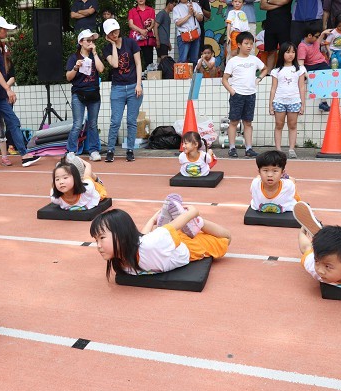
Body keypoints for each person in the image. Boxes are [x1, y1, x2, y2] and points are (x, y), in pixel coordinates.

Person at [89, 195, 230, 279]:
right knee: (160, 235)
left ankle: (197, 223)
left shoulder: (149, 245)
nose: (98, 246)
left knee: (227, 239)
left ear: (122, 236)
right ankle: (168, 223)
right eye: (96, 240)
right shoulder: (121, 261)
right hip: (162, 244)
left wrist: (194, 212)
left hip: (185, 248)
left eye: (102, 238)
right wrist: (152, 220)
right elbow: (142, 237)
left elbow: (173, 226)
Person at [0, 16, 40, 173]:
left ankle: (25, 155)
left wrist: (5, 90)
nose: (6, 31)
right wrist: (8, 89)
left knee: (13, 121)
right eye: (3, 28)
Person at [102, 18, 143, 163]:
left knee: (131, 121)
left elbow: (138, 64)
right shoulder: (107, 48)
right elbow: (114, 64)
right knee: (115, 121)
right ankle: (110, 150)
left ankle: (130, 150)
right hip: (117, 88)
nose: (114, 34)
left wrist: (139, 84)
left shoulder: (131, 43)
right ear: (107, 35)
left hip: (133, 86)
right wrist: (113, 45)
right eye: (111, 32)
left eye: (115, 31)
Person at [222, 32, 268, 158]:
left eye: (251, 44)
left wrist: (258, 79)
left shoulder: (254, 59)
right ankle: (232, 148)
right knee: (234, 122)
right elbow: (224, 79)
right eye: (246, 43)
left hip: (250, 94)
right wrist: (232, 92)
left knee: (248, 122)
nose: (249, 46)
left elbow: (265, 69)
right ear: (239, 45)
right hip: (237, 95)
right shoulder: (233, 61)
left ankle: (249, 148)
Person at [65, 29, 105, 162]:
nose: (90, 42)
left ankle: (93, 150)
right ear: (81, 42)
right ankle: (71, 151)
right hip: (79, 94)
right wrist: (75, 67)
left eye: (92, 40)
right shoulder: (74, 57)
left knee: (93, 124)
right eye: (88, 40)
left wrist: (95, 53)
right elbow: (68, 77)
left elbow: (101, 69)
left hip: (94, 93)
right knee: (78, 123)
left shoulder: (94, 56)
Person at [269, 42, 306, 157]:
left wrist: (302, 104)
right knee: (279, 125)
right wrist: (270, 105)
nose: (291, 55)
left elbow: (302, 87)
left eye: (293, 52)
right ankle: (278, 149)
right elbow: (273, 88)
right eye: (288, 52)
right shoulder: (276, 71)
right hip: (279, 101)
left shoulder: (299, 69)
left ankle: (291, 149)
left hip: (294, 101)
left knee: (293, 125)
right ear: (282, 53)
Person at [298, 25, 333, 112]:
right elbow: (300, 64)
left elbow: (319, 40)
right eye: (316, 36)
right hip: (310, 66)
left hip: (322, 64)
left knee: (328, 76)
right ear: (309, 36)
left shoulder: (314, 41)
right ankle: (322, 103)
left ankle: (323, 102)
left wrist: (323, 33)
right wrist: (307, 75)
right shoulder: (302, 47)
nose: (318, 39)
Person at [260, 0, 293, 70]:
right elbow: (262, 6)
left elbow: (283, 2)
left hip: (285, 24)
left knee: (286, 50)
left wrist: (269, 1)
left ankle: (286, 71)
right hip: (270, 24)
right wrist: (278, 4)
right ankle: (269, 74)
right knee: (270, 51)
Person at [172, 0, 204, 66]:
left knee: (194, 59)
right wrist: (189, 15)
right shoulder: (176, 8)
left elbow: (201, 18)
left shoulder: (195, 5)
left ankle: (193, 72)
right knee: (183, 58)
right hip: (183, 35)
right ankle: (182, 72)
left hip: (195, 34)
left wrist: (194, 12)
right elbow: (178, 23)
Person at [128, 0, 157, 67]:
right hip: (135, 40)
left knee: (149, 62)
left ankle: (149, 72)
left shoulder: (151, 10)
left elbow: (152, 23)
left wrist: (147, 30)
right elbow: (131, 25)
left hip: (147, 39)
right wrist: (141, 31)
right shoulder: (132, 11)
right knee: (134, 62)